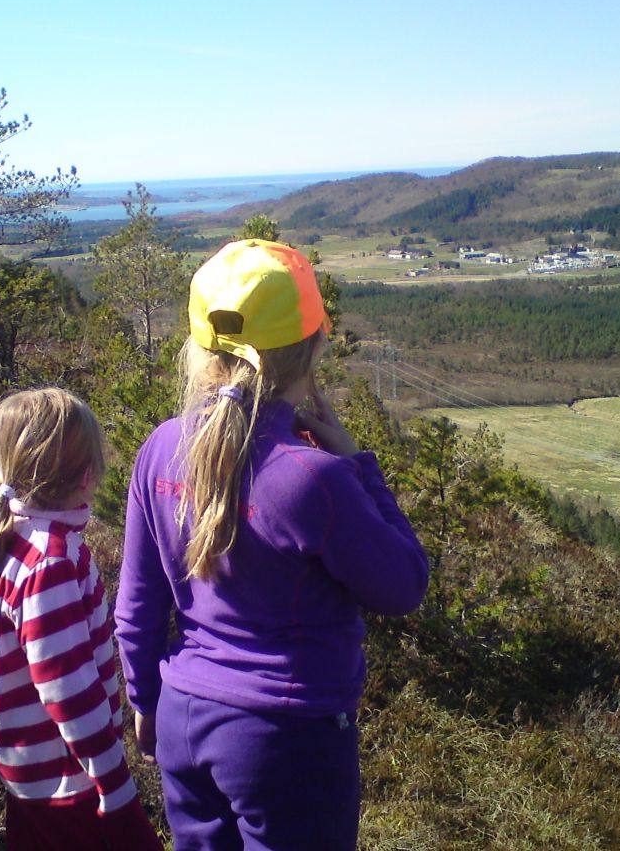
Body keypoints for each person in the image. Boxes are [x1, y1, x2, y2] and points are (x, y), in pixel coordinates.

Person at [115, 238, 430, 851]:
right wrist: (358, 463)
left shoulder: (160, 448)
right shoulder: (314, 476)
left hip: (183, 716)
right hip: (286, 739)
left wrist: (145, 702)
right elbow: (404, 585)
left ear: (200, 350)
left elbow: (138, 606)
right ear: (313, 347)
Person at [0, 388, 164, 851]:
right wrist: (116, 788)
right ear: (88, 475)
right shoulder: (50, 563)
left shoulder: (18, 537)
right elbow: (69, 691)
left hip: (33, 773)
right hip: (66, 781)